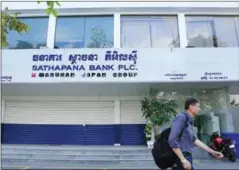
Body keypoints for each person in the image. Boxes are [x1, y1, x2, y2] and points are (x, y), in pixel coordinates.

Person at [168, 97, 224, 170]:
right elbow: (172, 140)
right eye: (198, 106)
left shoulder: (189, 120)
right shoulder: (181, 117)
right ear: (191, 107)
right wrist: (183, 160)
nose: (199, 109)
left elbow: (194, 140)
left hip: (187, 156)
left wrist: (212, 152)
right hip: (181, 157)